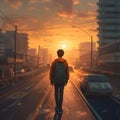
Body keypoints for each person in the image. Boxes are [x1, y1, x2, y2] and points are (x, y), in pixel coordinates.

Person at [49, 49, 69, 114]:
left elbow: (51, 72)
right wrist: (66, 80)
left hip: (56, 81)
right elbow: (67, 72)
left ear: (57, 54)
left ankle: (57, 106)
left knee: (56, 93)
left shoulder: (54, 62)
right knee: (61, 94)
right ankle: (60, 107)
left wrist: (51, 79)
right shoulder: (65, 62)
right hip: (62, 81)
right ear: (63, 54)